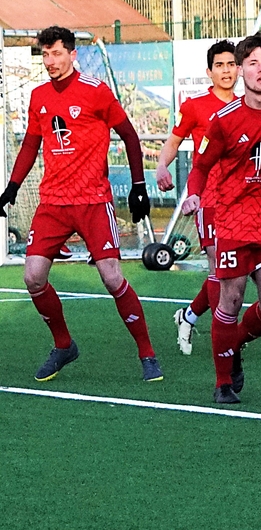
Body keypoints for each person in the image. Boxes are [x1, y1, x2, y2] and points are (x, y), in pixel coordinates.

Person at [0, 25, 160, 381]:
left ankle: (147, 353)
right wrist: (12, 186)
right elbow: (31, 144)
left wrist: (138, 186)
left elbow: (129, 136)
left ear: (72, 55)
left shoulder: (95, 91)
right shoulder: (39, 96)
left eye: (57, 53)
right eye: (45, 54)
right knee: (32, 277)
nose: (50, 61)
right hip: (53, 203)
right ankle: (63, 345)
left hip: (92, 200)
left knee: (112, 277)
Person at [181, 32, 261, 404]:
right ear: (241, 70)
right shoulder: (224, 119)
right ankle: (223, 383)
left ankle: (233, 344)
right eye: (252, 63)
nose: (260, 69)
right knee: (231, 300)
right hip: (233, 222)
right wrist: (194, 193)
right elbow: (201, 164)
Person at [157, 40, 238, 355]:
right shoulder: (195, 106)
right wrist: (162, 166)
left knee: (234, 272)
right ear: (209, 71)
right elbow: (174, 141)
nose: (226, 71)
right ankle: (225, 338)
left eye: (231, 64)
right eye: (220, 65)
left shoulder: (246, 106)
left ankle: (189, 316)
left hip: (243, 203)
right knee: (218, 266)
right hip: (209, 199)